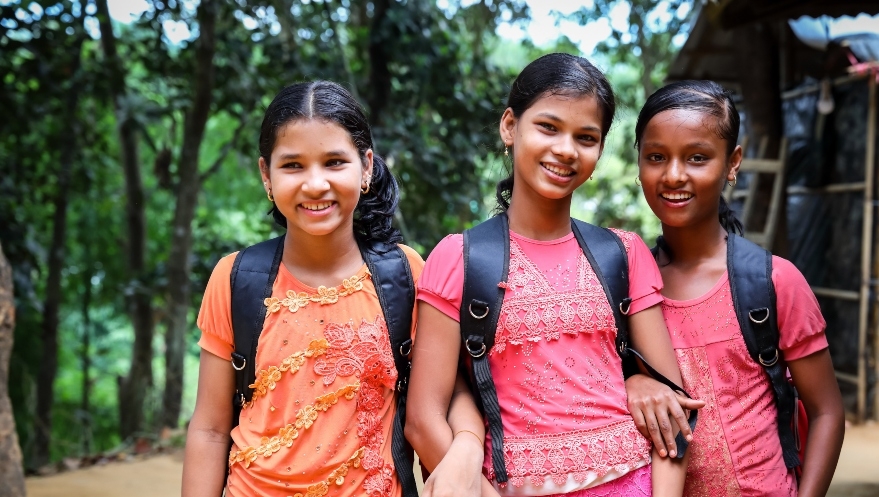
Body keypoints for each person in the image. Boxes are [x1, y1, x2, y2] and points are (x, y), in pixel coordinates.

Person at [405, 53, 701, 497]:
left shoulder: (624, 253)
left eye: (586, 137)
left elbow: (671, 415)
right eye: (548, 127)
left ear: (600, 150)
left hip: (631, 483)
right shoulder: (458, 259)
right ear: (510, 127)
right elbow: (424, 419)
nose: (565, 149)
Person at [181, 80, 482, 497]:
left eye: (335, 162)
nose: (315, 184)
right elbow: (211, 430)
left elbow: (447, 391)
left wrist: (467, 445)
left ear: (367, 168)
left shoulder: (405, 272)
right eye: (293, 165)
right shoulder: (235, 278)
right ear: (266, 175)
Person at [633, 80, 845, 497]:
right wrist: (633, 384)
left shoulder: (773, 282)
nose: (674, 175)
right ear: (638, 163)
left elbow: (827, 411)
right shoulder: (627, 285)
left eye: (697, 157)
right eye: (656, 157)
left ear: (732, 163)